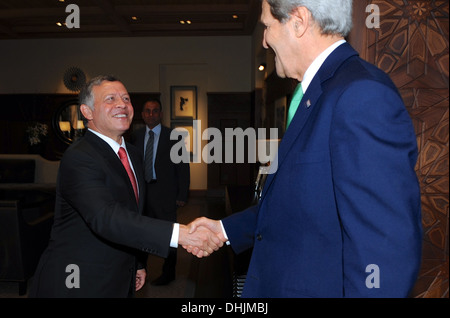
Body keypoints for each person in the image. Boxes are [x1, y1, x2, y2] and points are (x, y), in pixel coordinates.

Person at [187, 0, 423, 297]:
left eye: (267, 26)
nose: (264, 40)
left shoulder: (360, 94)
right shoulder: (319, 93)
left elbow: (384, 247)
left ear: (298, 20)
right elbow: (299, 204)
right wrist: (223, 230)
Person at [28, 75, 221, 298]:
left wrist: (137, 262)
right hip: (79, 278)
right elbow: (106, 217)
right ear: (87, 112)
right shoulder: (79, 158)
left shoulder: (133, 154)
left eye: (126, 99)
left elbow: (132, 212)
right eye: (110, 99)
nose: (122, 104)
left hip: (119, 274)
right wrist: (181, 234)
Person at [130, 99, 190, 285]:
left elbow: (183, 168)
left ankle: (168, 273)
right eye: (147, 111)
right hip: (142, 194)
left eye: (155, 111)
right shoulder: (134, 136)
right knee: (141, 233)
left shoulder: (174, 136)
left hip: (165, 193)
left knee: (169, 235)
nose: (151, 114)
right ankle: (141, 269)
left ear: (161, 114)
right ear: (142, 114)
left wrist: (182, 195)